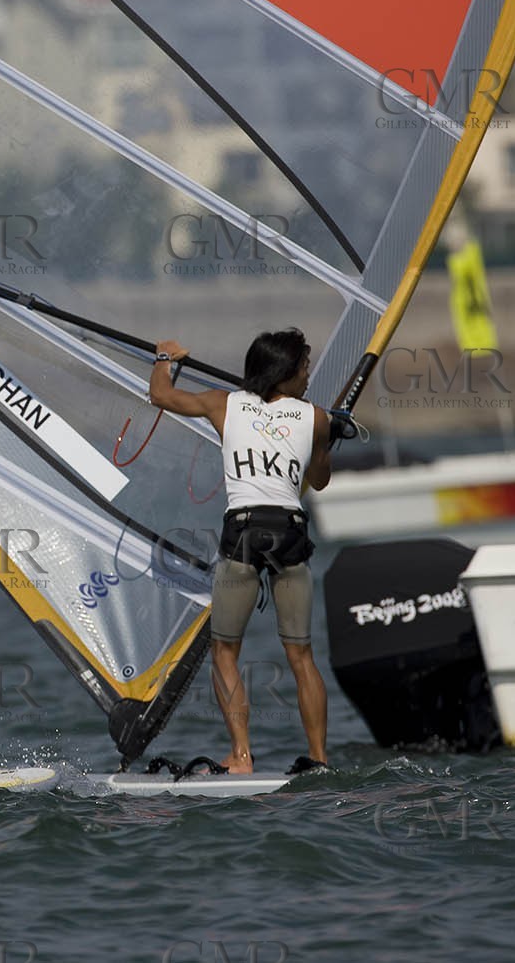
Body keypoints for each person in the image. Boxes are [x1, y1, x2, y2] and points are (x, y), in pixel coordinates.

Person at [149, 329, 331, 775]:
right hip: (290, 534)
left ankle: (242, 756)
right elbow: (321, 481)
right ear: (283, 372)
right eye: (304, 367)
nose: (309, 375)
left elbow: (161, 395)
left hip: (245, 533)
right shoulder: (317, 417)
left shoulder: (222, 403)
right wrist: (327, 439)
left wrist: (164, 356)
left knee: (226, 652)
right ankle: (320, 759)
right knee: (302, 656)